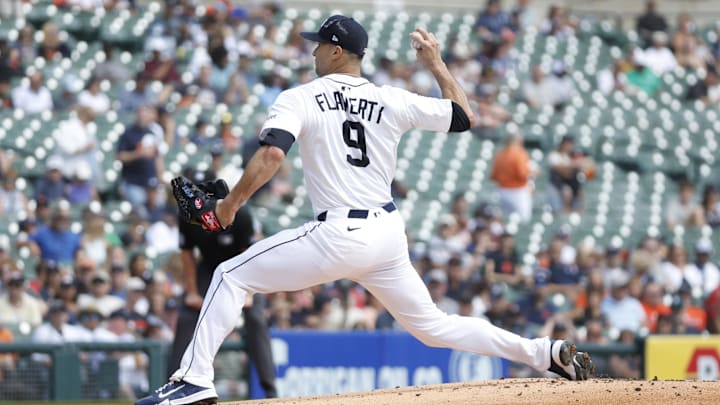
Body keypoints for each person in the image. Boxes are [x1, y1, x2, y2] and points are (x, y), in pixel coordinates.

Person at [136, 16, 593, 405]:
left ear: (337, 52)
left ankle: (194, 380)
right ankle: (543, 352)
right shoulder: (390, 97)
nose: (313, 52)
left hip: (339, 233)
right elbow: (462, 117)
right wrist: (435, 62)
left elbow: (273, 155)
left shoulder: (301, 96)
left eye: (319, 45)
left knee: (229, 275)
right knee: (434, 326)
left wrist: (229, 205)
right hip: (387, 233)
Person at [167, 175, 277, 398]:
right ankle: (174, 386)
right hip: (208, 267)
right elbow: (187, 255)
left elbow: (250, 254)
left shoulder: (241, 215)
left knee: (255, 317)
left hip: (242, 264)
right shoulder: (187, 217)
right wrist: (191, 292)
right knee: (188, 316)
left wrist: (248, 293)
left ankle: (270, 390)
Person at [491, 133, 534, 222]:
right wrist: (533, 172)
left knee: (505, 220)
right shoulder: (519, 153)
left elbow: (494, 176)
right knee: (524, 221)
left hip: (502, 191)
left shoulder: (500, 154)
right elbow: (522, 174)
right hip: (518, 192)